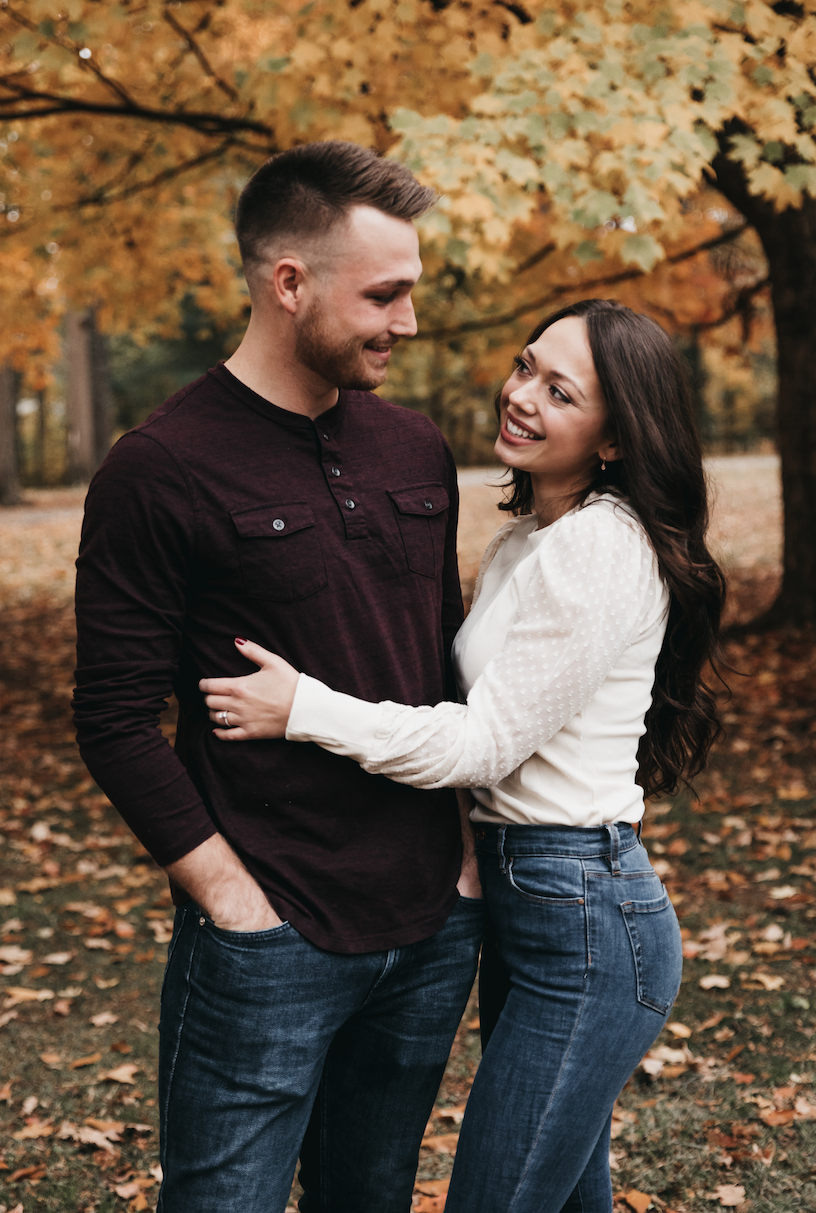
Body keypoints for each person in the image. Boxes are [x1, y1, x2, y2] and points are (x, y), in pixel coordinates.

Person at [199, 298, 727, 1213]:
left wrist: (305, 710)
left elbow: (481, 743)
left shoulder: (600, 546)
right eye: (527, 366)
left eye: (560, 392)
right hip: (531, 907)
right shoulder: (531, 537)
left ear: (615, 439)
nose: (521, 397)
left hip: (586, 919)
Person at [72, 141, 485, 1213]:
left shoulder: (414, 446)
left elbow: (446, 655)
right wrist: (229, 897)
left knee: (371, 1194)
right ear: (287, 282)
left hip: (432, 918)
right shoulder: (157, 467)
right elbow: (113, 715)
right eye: (384, 294)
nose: (406, 321)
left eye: (412, 293)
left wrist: (467, 867)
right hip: (271, 934)